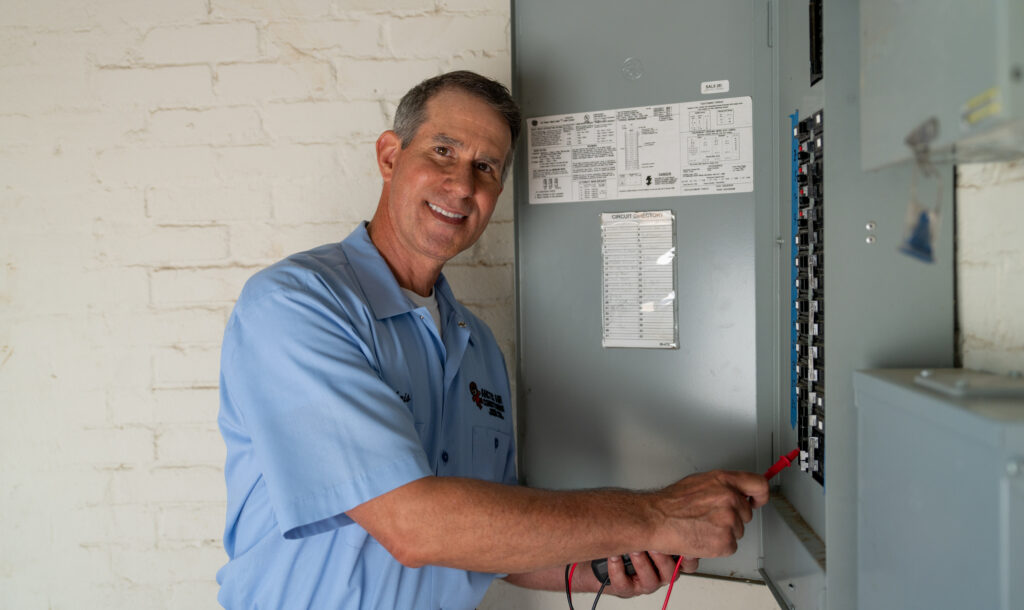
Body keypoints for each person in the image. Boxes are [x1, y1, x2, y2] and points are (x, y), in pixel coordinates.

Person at [216, 70, 769, 609]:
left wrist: (600, 563)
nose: (462, 186)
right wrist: (658, 515)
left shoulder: (476, 346)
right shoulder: (297, 305)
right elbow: (415, 526)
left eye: (486, 167)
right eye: (443, 151)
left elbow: (488, 548)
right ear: (390, 156)